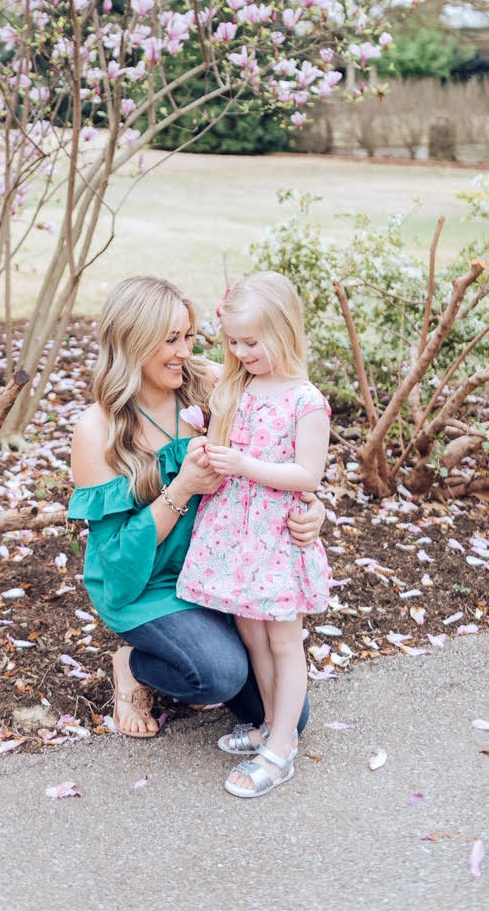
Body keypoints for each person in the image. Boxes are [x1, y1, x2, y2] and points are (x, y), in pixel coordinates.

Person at [68, 275, 326, 745]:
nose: (185, 351)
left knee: (289, 717)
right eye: (170, 340)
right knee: (218, 675)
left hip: (218, 569)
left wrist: (313, 508)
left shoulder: (212, 387)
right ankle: (134, 665)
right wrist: (182, 488)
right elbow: (118, 567)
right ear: (132, 341)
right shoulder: (97, 430)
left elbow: (284, 451)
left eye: (188, 335)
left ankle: (196, 650)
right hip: (146, 586)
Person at [176, 270, 330, 798]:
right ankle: (268, 724)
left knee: (284, 640)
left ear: (285, 331)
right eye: (233, 342)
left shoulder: (305, 400)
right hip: (232, 536)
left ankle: (281, 749)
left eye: (251, 342)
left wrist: (244, 463)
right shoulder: (235, 385)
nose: (241, 352)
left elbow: (307, 474)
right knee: (252, 634)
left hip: (275, 537)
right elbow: (222, 440)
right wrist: (210, 453)